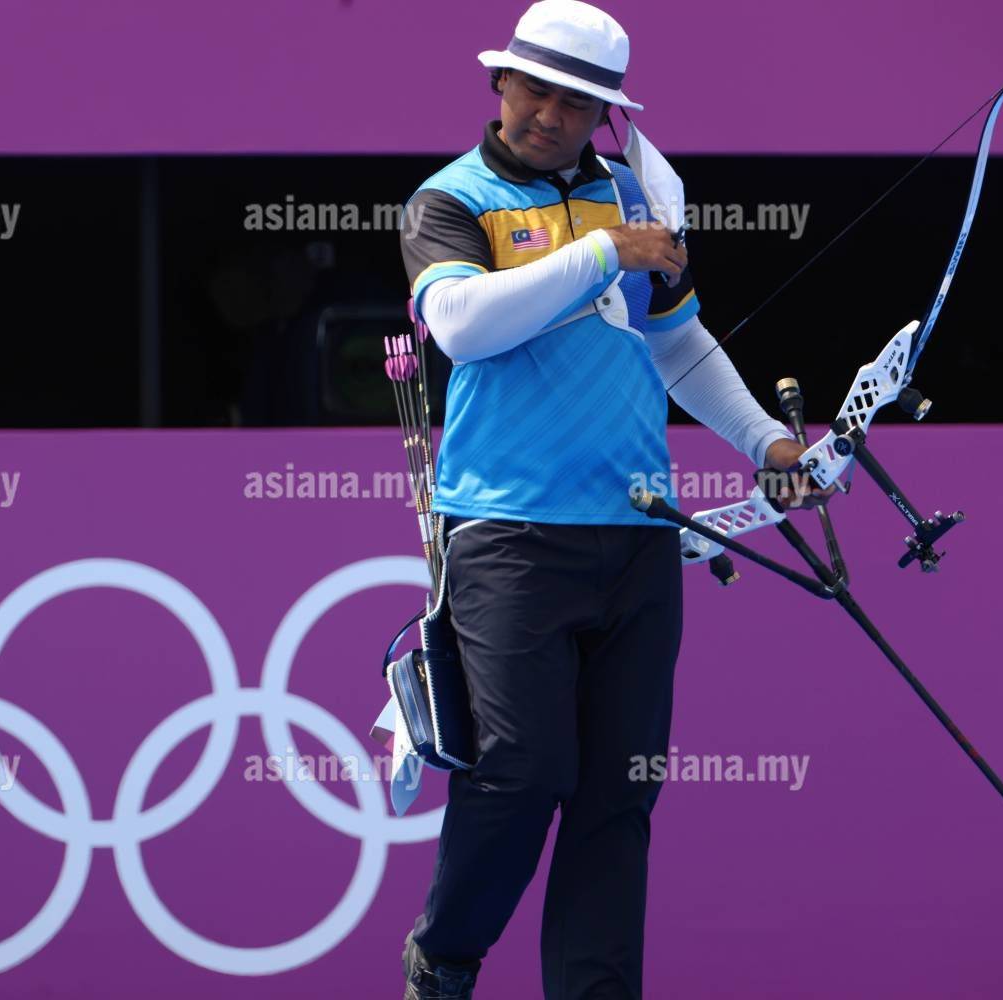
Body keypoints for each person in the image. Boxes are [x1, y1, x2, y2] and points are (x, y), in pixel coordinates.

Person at [395, 3, 831, 998]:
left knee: (617, 795)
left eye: (576, 103)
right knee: (520, 769)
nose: (550, 115)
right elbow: (461, 325)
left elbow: (676, 344)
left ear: (605, 115)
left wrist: (764, 439)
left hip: (638, 536)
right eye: (535, 90)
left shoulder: (632, 195)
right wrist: (605, 253)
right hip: (507, 534)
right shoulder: (448, 199)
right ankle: (446, 955)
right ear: (499, 82)